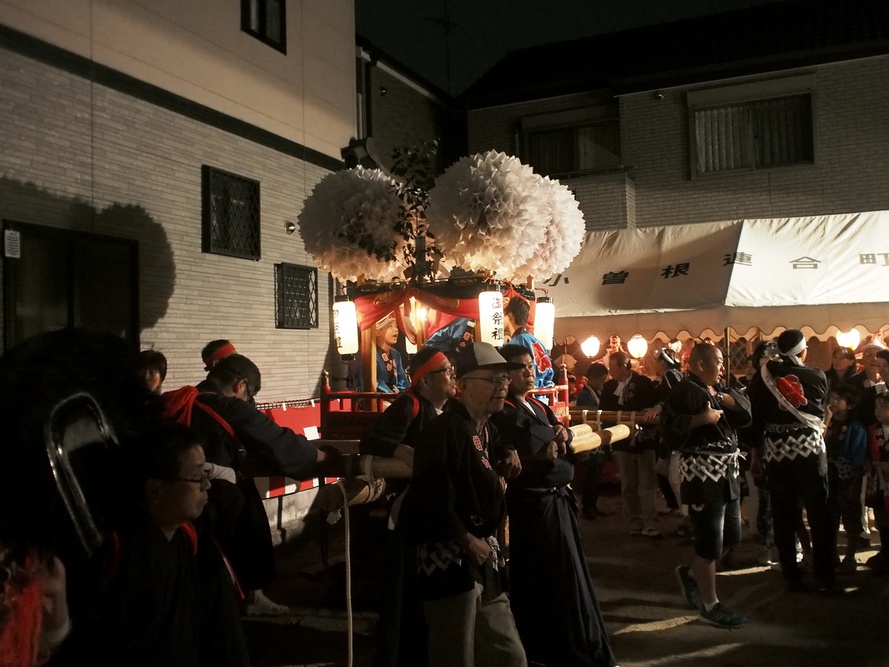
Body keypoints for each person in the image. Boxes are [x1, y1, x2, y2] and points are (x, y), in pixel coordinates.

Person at [163, 354, 340, 617]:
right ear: (240, 385)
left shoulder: (181, 401)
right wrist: (324, 457)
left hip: (166, 502)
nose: (249, 401)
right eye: (250, 394)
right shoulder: (228, 406)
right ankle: (250, 596)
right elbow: (278, 442)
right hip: (213, 503)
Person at [491, 344, 618, 667]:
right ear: (504, 374)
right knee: (546, 579)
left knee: (572, 575)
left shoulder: (536, 405)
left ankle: (585, 646)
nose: (529, 371)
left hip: (558, 500)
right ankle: (553, 652)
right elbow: (534, 442)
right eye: (520, 367)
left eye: (530, 365)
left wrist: (558, 432)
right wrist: (555, 434)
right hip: (534, 506)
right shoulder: (503, 412)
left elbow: (556, 437)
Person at [401, 342, 526, 667]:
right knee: (455, 654)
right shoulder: (442, 431)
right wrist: (465, 538)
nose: (503, 386)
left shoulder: (486, 429)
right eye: (493, 380)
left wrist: (506, 450)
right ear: (463, 386)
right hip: (451, 559)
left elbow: (498, 441)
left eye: (504, 379)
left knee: (509, 655)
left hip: (486, 559)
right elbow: (431, 493)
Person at [94, 421, 250, 667]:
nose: (207, 485)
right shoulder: (127, 560)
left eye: (206, 474)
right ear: (155, 491)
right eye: (198, 477)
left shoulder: (180, 535)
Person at [359, 346, 458, 667]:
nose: (452, 375)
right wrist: (400, 449)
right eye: (445, 371)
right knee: (407, 590)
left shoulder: (453, 409)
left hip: (442, 508)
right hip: (412, 511)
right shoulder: (410, 405)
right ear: (425, 382)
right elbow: (372, 442)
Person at [663, 343, 751, 629]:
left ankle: (691, 574)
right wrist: (703, 419)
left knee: (732, 538)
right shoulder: (684, 391)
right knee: (709, 542)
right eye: (718, 361)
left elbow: (746, 412)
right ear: (700, 365)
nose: (723, 367)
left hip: (728, 473)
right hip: (702, 475)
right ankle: (710, 604)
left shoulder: (721, 388)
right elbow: (668, 429)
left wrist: (722, 399)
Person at [748, 329, 839, 595]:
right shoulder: (817, 376)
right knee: (819, 513)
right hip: (809, 451)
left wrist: (756, 456)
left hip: (776, 452)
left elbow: (755, 420)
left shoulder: (763, 377)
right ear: (803, 351)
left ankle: (791, 575)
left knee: (783, 515)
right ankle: (825, 575)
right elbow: (818, 412)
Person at [600, 352, 660, 537]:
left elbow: (653, 405)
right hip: (622, 441)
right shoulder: (609, 387)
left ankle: (650, 521)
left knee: (647, 483)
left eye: (613, 367)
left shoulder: (643, 383)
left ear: (625, 366)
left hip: (644, 440)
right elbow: (605, 412)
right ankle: (634, 521)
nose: (610, 371)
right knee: (628, 483)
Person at [823, 385, 867, 573]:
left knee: (850, 518)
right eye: (831, 397)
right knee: (829, 518)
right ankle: (831, 556)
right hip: (828, 476)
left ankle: (850, 557)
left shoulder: (855, 428)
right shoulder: (828, 423)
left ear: (849, 405)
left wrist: (855, 486)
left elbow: (858, 460)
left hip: (847, 478)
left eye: (838, 399)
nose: (833, 401)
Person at [576, 363, 610, 520]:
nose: (603, 382)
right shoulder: (585, 395)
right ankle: (587, 507)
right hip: (590, 437)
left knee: (596, 475)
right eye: (602, 380)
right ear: (593, 378)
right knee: (592, 475)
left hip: (596, 437)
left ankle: (592, 505)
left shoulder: (593, 392)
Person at [503, 296, 554, 387]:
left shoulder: (517, 343)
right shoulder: (537, 341)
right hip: (544, 392)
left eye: (503, 315)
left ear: (510, 315)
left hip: (529, 393)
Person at [864, 392, 889, 574]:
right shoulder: (872, 429)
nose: (878, 411)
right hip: (878, 478)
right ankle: (885, 550)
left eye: (884, 407)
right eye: (876, 407)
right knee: (880, 515)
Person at [376, 315, 408, 393]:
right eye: (390, 326)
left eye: (396, 326)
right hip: (379, 397)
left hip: (395, 395)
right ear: (378, 332)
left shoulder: (395, 354)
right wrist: (390, 394)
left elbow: (402, 379)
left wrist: (402, 393)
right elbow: (375, 382)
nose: (396, 330)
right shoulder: (372, 355)